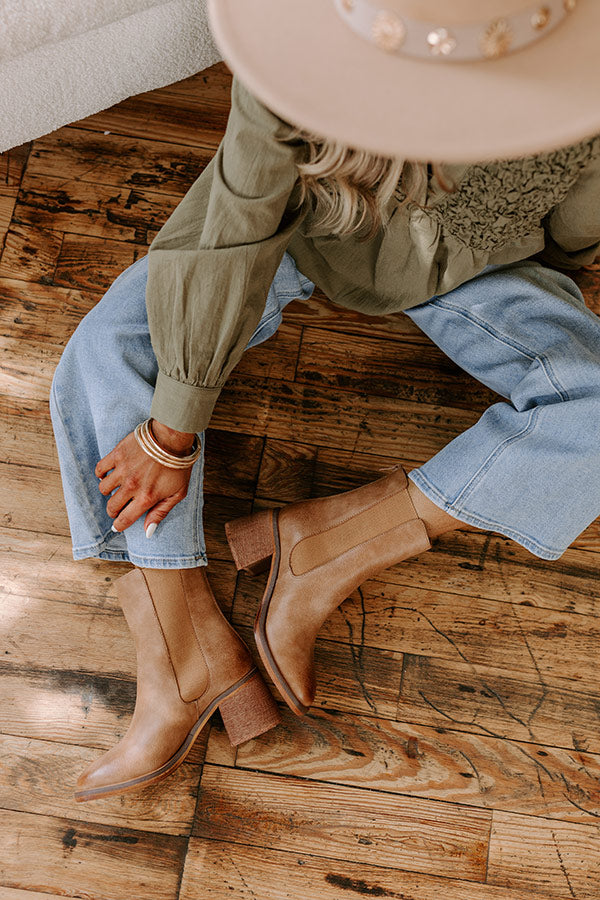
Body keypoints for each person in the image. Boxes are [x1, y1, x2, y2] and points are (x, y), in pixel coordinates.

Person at [50, 0, 600, 801]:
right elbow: (238, 224)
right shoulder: (297, 38)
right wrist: (172, 433)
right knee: (108, 349)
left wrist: (547, 294)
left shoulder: (572, 62)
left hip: (474, 255)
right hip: (305, 220)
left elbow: (579, 221)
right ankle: (181, 645)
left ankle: (330, 544)